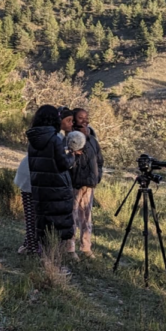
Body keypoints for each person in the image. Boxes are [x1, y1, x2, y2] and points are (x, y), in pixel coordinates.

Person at [26, 105, 76, 252]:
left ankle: (46, 263)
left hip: (39, 189)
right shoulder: (55, 140)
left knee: (44, 226)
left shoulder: (32, 141)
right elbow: (62, 164)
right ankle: (55, 266)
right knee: (57, 229)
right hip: (57, 190)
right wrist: (71, 157)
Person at [69, 108, 103, 258]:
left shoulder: (93, 140)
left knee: (87, 217)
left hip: (89, 183)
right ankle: (70, 248)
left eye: (86, 117)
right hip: (75, 183)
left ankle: (86, 248)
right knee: (72, 216)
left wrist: (97, 176)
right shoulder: (71, 138)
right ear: (74, 120)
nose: (84, 120)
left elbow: (99, 161)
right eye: (80, 118)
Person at [15, 155, 39, 254]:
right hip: (30, 178)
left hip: (35, 177)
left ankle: (29, 244)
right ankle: (31, 247)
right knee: (32, 216)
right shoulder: (54, 141)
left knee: (35, 216)